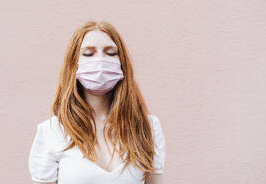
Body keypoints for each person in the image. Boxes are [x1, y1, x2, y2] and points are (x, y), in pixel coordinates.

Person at [28, 21, 166, 184]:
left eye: (110, 53)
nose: (100, 60)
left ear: (122, 62)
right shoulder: (52, 131)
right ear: (74, 64)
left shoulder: (148, 127)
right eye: (88, 53)